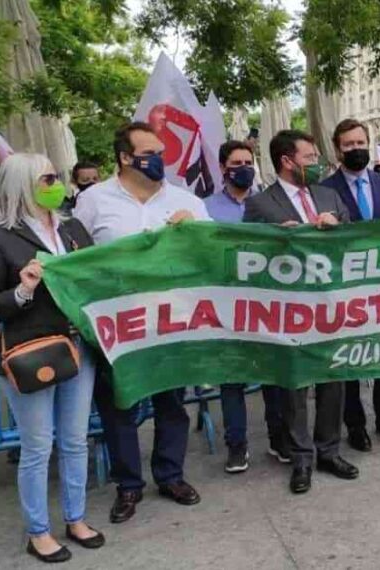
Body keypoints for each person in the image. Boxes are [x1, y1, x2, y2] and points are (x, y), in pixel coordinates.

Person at [75, 122, 210, 523]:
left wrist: (195, 233)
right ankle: (128, 485)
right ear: (124, 157)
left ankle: (170, 475)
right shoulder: (93, 201)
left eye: (161, 152)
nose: (158, 159)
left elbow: (211, 256)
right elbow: (76, 256)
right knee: (119, 404)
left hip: (173, 319)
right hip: (117, 324)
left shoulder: (186, 201)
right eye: (149, 153)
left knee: (172, 401)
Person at [0, 153, 103, 563]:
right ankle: (38, 531)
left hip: (78, 348)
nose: (56, 183)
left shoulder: (73, 228)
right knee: (37, 446)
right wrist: (23, 290)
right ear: (22, 184)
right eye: (47, 178)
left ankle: (76, 518)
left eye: (56, 176)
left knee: (75, 441)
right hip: (32, 353)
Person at [243, 129, 359, 494]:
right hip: (289, 311)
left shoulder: (329, 195)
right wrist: (277, 240)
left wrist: (338, 228)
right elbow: (247, 255)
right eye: (309, 157)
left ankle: (329, 450)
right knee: (294, 387)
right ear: (287, 161)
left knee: (333, 381)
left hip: (331, 306)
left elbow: (356, 242)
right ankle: (301, 458)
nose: (317, 163)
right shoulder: (261, 204)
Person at [320, 119, 380, 452]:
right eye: (349, 145)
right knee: (350, 358)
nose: (356, 149)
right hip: (347, 288)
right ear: (337, 150)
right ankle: (355, 425)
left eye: (360, 143)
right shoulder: (324, 190)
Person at [203, 140, 287, 473]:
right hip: (227, 305)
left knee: (273, 376)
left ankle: (278, 439)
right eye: (236, 163)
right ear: (223, 168)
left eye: (248, 162)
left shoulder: (269, 203)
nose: (244, 168)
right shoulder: (206, 208)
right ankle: (236, 446)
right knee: (232, 379)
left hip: (267, 302)